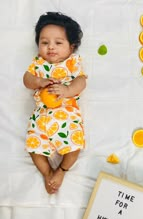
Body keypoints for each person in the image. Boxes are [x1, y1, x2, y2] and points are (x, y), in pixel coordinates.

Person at [23, 12, 87, 194]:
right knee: (33, 148)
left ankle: (61, 171)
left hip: (67, 115)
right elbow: (27, 79)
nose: (51, 47)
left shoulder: (72, 63)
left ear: (71, 47)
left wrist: (67, 90)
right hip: (41, 118)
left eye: (58, 43)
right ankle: (47, 173)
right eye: (44, 43)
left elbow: (81, 82)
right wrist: (38, 82)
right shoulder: (37, 64)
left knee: (75, 148)